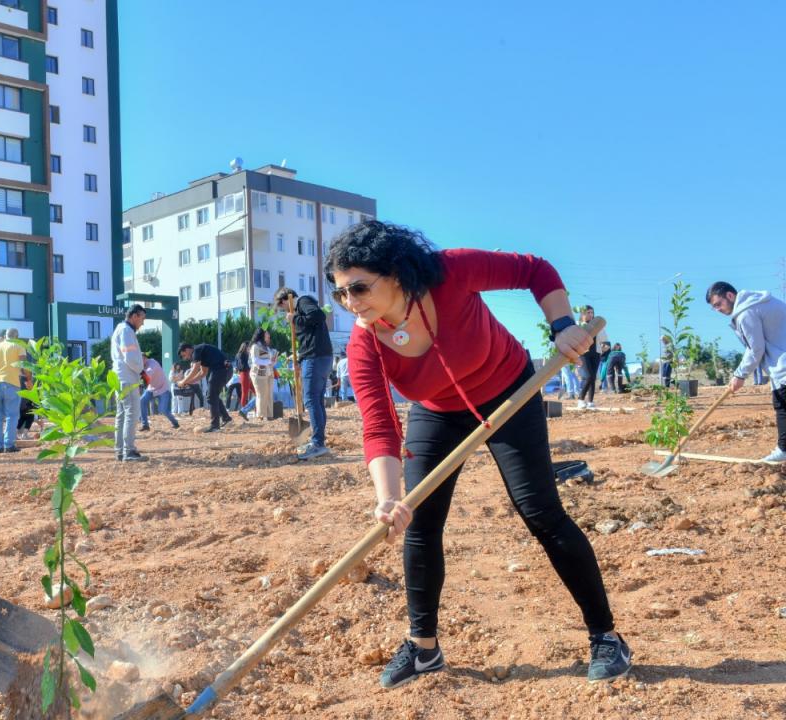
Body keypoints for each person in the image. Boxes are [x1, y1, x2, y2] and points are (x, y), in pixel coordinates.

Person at [328, 220, 630, 689]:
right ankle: (423, 648)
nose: (351, 302)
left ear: (396, 272)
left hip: (509, 392)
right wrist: (389, 499)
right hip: (439, 412)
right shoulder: (365, 343)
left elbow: (535, 270)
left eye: (359, 288)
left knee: (540, 511)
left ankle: (606, 638)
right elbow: (379, 424)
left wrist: (564, 326)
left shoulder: (451, 272)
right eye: (341, 293)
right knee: (419, 521)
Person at [706, 281, 786, 463]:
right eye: (714, 308)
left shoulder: (745, 312)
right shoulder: (761, 301)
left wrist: (740, 374)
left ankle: (783, 450)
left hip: (783, 363)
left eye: (718, 304)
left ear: (730, 296)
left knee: (782, 406)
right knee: (781, 404)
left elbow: (756, 348)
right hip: (780, 361)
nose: (718, 309)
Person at [274, 287, 333, 460]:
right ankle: (319, 441)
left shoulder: (303, 301)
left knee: (311, 400)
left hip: (316, 358)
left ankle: (318, 444)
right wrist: (300, 361)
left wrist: (295, 318)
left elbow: (319, 315)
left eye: (283, 307)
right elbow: (307, 339)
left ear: (285, 300)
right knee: (317, 400)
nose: (285, 311)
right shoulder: (301, 307)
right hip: (317, 357)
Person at [111, 305, 147, 462]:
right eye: (142, 318)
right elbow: (130, 358)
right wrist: (142, 372)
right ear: (134, 316)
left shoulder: (120, 329)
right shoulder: (126, 331)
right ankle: (129, 451)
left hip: (119, 378)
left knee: (122, 414)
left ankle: (120, 451)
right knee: (131, 412)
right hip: (127, 378)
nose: (142, 323)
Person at [177, 343, 232, 432]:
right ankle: (226, 418)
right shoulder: (201, 352)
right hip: (225, 370)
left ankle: (215, 426)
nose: (186, 358)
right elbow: (203, 373)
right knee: (212, 395)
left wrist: (183, 381)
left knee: (211, 396)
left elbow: (195, 369)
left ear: (187, 350)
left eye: (184, 355)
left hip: (221, 370)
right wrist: (188, 382)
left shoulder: (196, 351)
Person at [0, 328, 24, 454]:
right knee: (12, 415)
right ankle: (9, 444)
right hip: (11, 382)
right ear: (17, 336)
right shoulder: (18, 346)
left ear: (5, 336)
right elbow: (23, 365)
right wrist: (29, 379)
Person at [140, 356, 179, 431]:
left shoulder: (153, 363)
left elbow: (147, 374)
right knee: (142, 401)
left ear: (145, 358)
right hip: (151, 389)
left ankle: (175, 423)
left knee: (163, 410)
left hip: (163, 389)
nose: (138, 361)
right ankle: (145, 425)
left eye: (140, 359)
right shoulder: (141, 365)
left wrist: (139, 373)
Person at [576, 306, 602, 409]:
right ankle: (581, 399)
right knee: (589, 376)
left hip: (595, 353)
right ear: (583, 314)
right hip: (583, 354)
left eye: (592, 312)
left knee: (593, 378)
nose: (591, 315)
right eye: (588, 312)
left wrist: (605, 346)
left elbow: (603, 338)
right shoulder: (578, 326)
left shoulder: (596, 326)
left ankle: (590, 402)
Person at [248, 328, 278, 420]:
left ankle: (269, 415)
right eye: (266, 335)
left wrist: (274, 360)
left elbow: (271, 363)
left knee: (269, 394)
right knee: (261, 394)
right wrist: (269, 361)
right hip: (258, 374)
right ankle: (261, 415)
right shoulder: (255, 347)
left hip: (269, 374)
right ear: (262, 336)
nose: (268, 337)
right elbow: (255, 360)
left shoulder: (267, 348)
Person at [235, 341, 253, 420]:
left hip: (246, 373)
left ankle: (245, 410)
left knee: (255, 392)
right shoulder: (242, 355)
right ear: (245, 347)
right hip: (245, 373)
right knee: (245, 393)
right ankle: (243, 411)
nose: (250, 348)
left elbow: (238, 366)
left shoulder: (241, 354)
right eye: (249, 347)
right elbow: (242, 366)